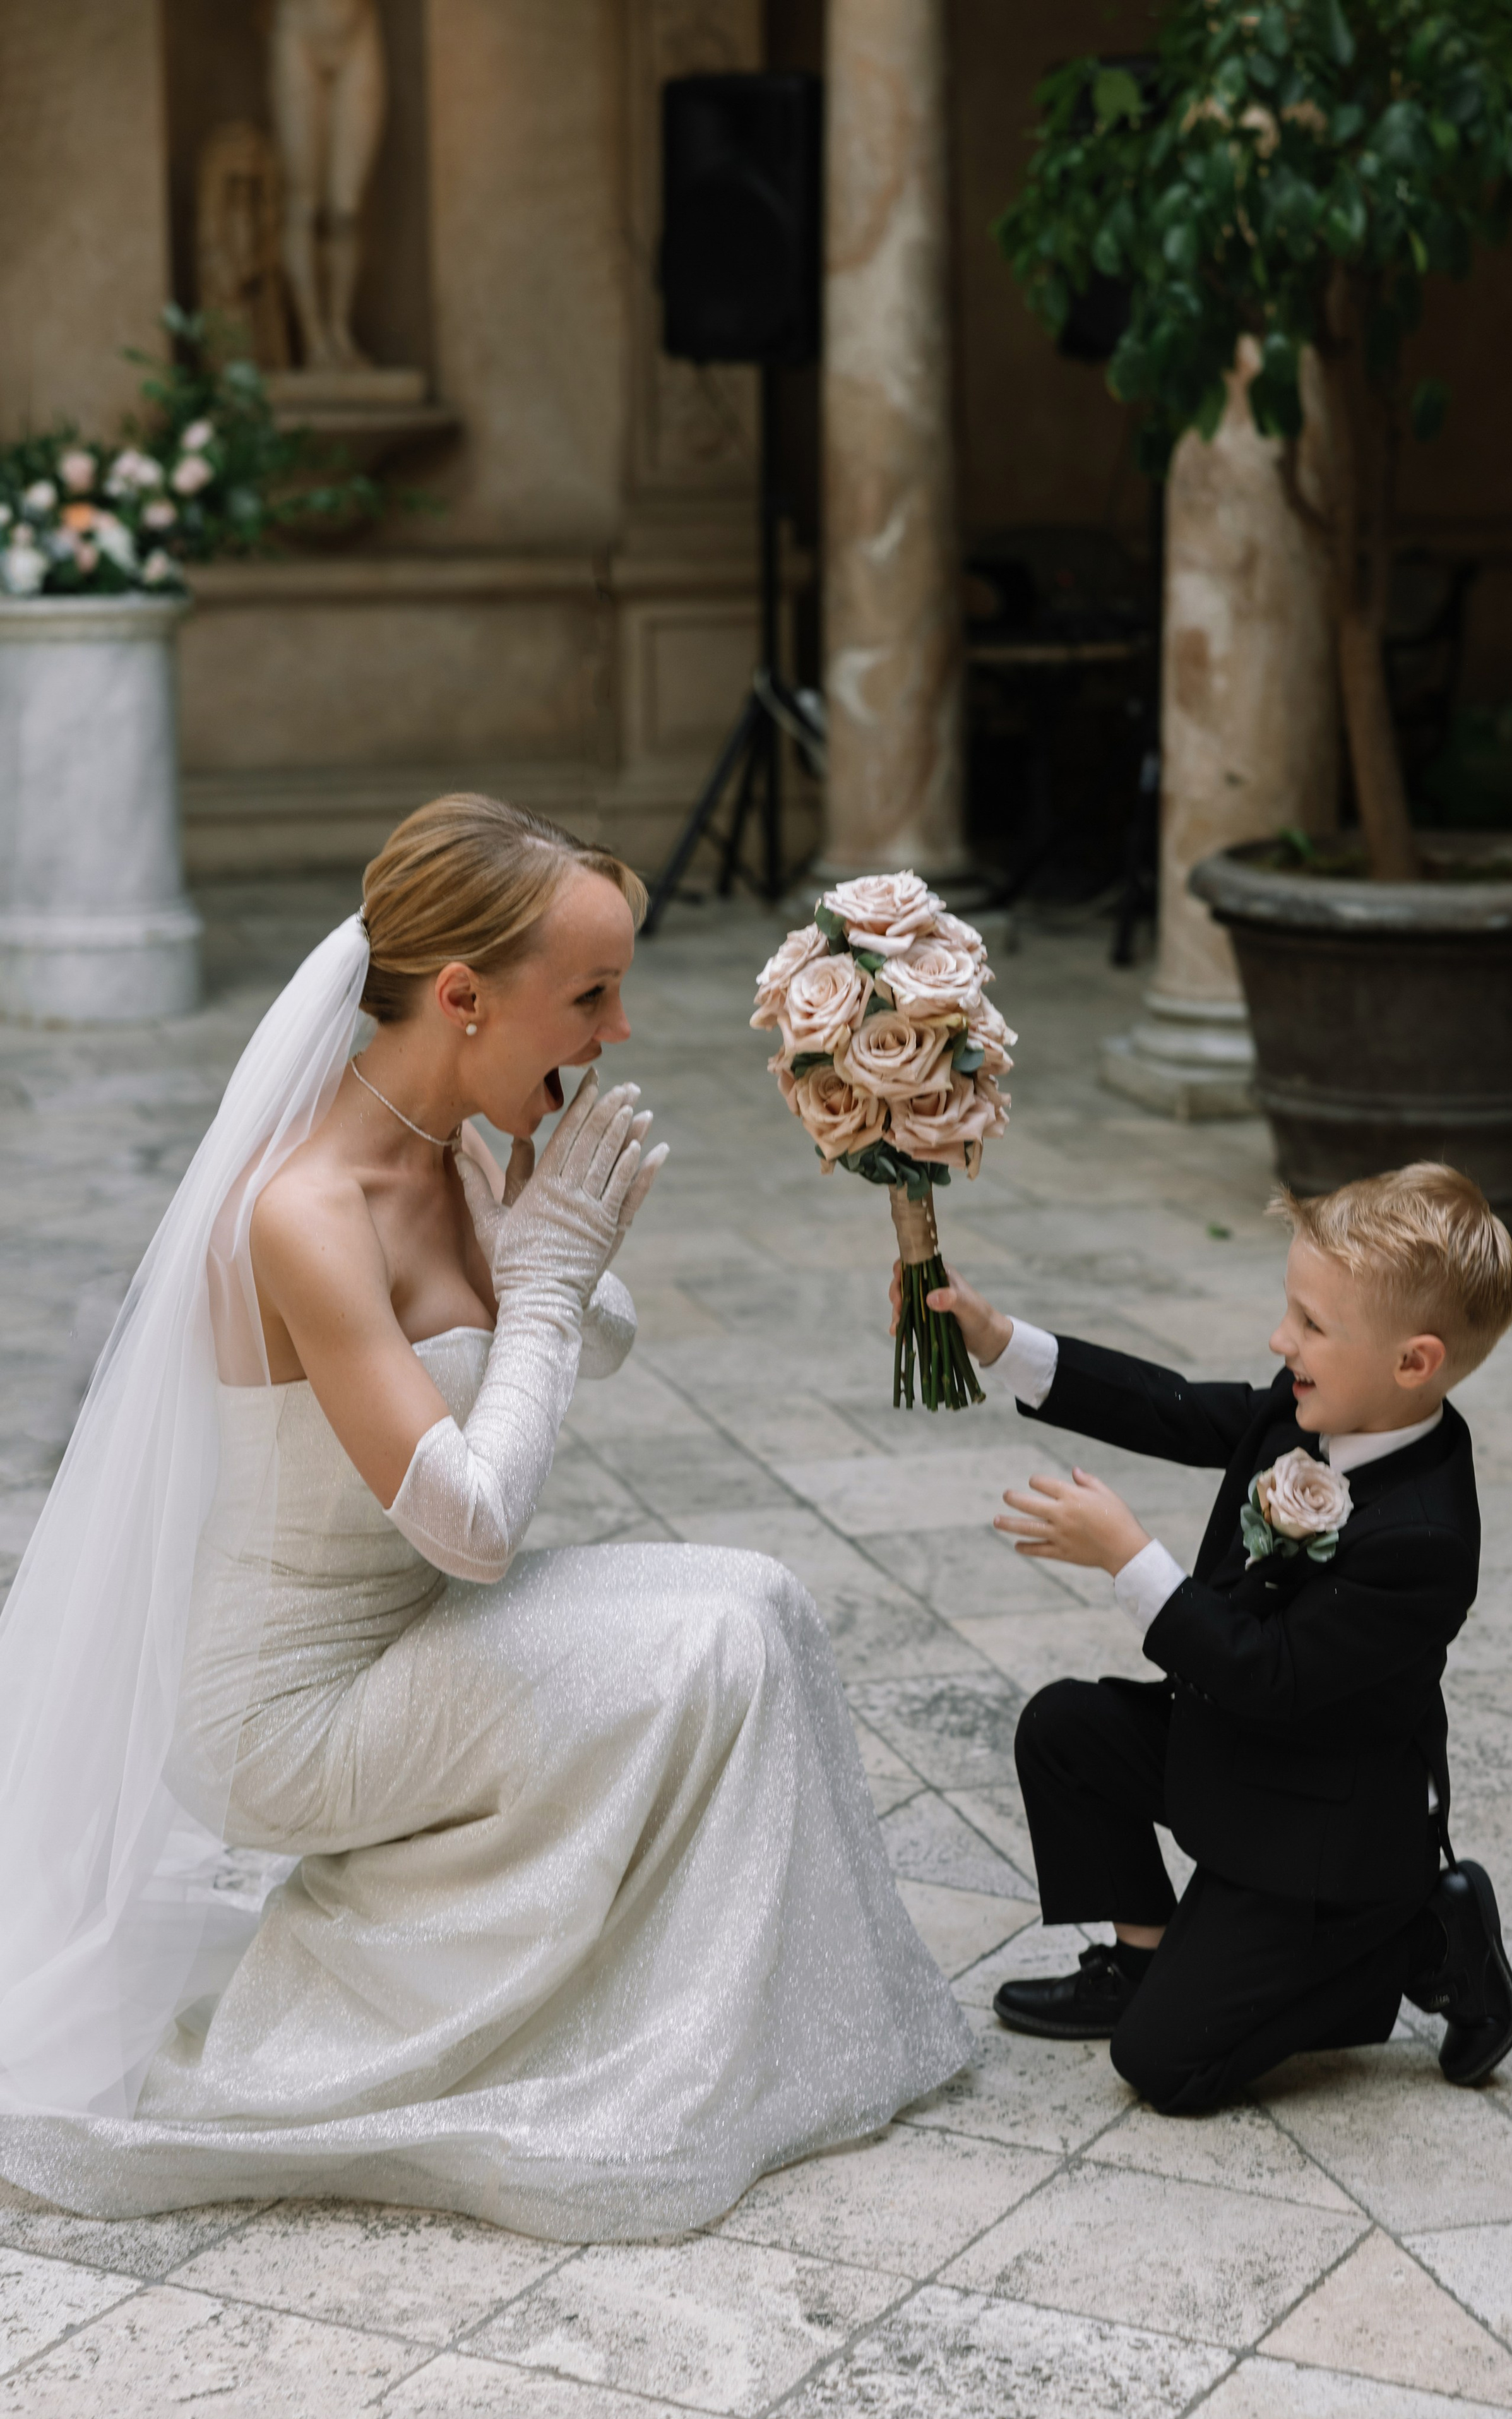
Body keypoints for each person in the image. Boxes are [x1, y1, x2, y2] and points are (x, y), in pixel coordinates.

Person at [0, 793, 970, 2238]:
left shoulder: (448, 1136)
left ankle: (731, 2025)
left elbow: (571, 1340)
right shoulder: (306, 1212)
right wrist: (548, 1279)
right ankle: (584, 2039)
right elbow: (471, 1522)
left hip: (412, 1633)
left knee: (753, 1599)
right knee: (704, 1657)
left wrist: (549, 1258)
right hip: (287, 1712)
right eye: (589, 995)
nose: (617, 1031)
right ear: (461, 997)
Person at [900, 1162, 1512, 2112]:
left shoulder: (1424, 1541)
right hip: (1242, 1748)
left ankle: (1414, 1940)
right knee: (1066, 1730)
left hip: (1322, 1836)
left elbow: (1267, 1675)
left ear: (1414, 1363)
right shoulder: (1318, 1399)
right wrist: (1003, 1346)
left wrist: (1131, 1559)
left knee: (1166, 2069)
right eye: (1292, 1312)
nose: (1285, 1342)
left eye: (1313, 1326)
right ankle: (1144, 1961)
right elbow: (1182, 1410)